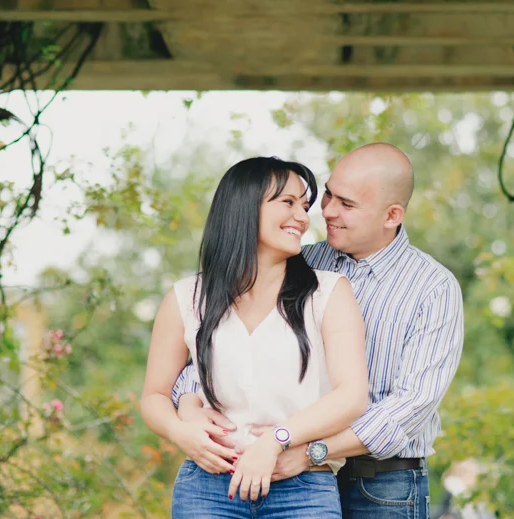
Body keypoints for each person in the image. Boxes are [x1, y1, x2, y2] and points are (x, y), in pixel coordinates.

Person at [172, 143, 465, 519]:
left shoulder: (432, 287)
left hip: (379, 484)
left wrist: (312, 451)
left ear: (392, 215)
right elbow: (223, 349)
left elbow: (412, 403)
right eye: (327, 194)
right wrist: (190, 403)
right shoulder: (299, 260)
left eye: (346, 204)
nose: (325, 211)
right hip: (283, 473)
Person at [139, 157, 369, 518]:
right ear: (244, 208)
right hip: (208, 488)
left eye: (303, 206)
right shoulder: (186, 298)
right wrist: (180, 432)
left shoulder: (330, 293)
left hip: (302, 489)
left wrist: (276, 440)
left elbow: (352, 396)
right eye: (288, 202)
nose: (302, 217)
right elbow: (154, 395)